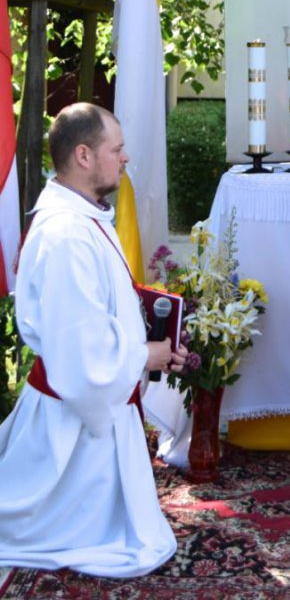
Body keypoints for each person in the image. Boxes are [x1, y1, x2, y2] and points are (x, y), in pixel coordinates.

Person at [0, 103, 187, 577]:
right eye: (116, 149)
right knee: (65, 530)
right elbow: (82, 352)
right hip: (71, 427)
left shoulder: (81, 218)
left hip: (82, 412)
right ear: (84, 155)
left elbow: (96, 314)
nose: (125, 158)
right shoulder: (66, 235)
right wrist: (150, 354)